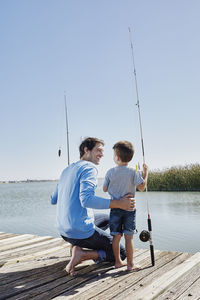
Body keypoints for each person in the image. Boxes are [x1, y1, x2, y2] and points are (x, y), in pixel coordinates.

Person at [51, 137, 135, 275]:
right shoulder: (89, 168)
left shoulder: (66, 170)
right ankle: (83, 254)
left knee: (108, 218)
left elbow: (53, 200)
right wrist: (119, 203)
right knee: (121, 253)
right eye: (98, 150)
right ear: (86, 150)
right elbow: (87, 200)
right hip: (79, 230)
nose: (102, 154)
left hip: (64, 232)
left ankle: (75, 245)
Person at [103, 141, 148, 271]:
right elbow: (142, 187)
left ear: (117, 157)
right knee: (129, 237)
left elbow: (105, 189)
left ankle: (118, 262)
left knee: (116, 237)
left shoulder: (110, 172)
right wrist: (146, 173)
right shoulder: (133, 172)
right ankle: (130, 264)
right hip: (129, 208)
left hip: (115, 208)